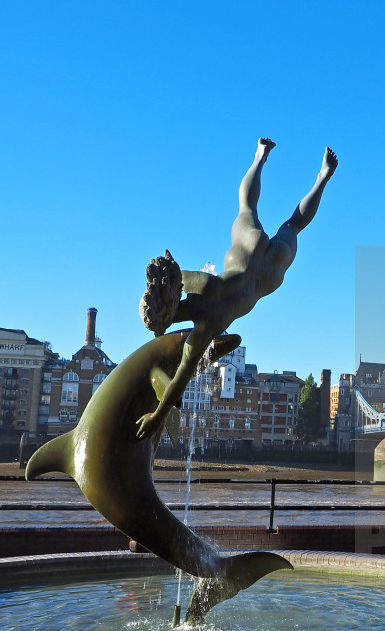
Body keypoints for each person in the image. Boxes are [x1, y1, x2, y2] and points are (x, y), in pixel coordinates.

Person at [136, 137, 338, 439]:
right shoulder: (199, 283)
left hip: (268, 275)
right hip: (248, 251)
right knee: (249, 206)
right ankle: (262, 158)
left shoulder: (210, 324)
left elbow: (181, 378)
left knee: (292, 225)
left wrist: (157, 416)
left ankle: (322, 176)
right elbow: (173, 275)